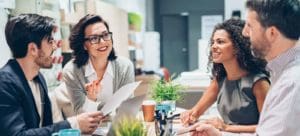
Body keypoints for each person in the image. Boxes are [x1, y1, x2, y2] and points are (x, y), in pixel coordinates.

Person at [192, 0, 300, 135]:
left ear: (272, 33)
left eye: (250, 26)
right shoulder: (280, 73)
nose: (244, 33)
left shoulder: (291, 83)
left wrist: (223, 130)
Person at [0, 14, 105, 135]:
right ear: (33, 49)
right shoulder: (5, 84)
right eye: (50, 41)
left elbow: (47, 129)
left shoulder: (39, 78)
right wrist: (73, 124)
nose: (54, 47)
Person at [180, 19, 270, 133]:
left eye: (220, 42)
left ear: (237, 47)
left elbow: (269, 127)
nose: (213, 46)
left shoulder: (259, 83)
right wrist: (189, 115)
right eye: (213, 42)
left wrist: (226, 127)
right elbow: (195, 112)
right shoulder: (219, 80)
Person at [62, 14, 135, 114]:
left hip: (119, 127)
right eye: (94, 38)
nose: (102, 42)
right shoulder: (71, 72)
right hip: (88, 128)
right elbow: (80, 115)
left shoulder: (125, 66)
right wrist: (91, 99)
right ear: (84, 45)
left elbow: (128, 108)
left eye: (105, 35)